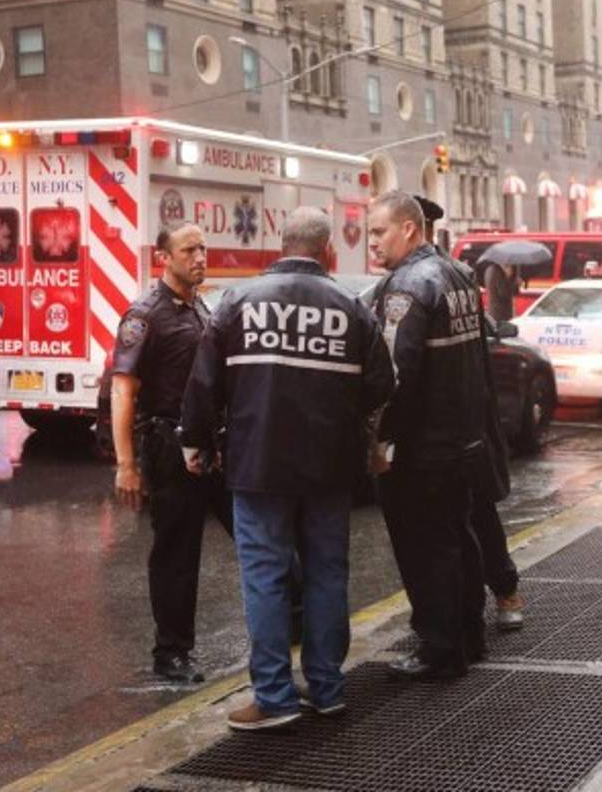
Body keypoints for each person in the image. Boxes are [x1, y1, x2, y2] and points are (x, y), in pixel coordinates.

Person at [180, 207, 394, 730]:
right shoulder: (351, 307)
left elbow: (204, 382)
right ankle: (326, 688)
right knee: (327, 574)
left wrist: (195, 440)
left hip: (259, 464)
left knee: (265, 578)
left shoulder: (237, 302)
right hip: (330, 467)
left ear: (282, 244)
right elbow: (382, 385)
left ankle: (274, 698)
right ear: (328, 251)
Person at [369, 190, 491, 679]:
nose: (372, 242)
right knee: (458, 538)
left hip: (422, 448)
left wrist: (379, 439)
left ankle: (440, 649)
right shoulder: (458, 274)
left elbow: (393, 375)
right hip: (462, 438)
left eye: (379, 232)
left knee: (424, 548)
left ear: (408, 229)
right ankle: (470, 634)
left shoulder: (406, 286)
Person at [112, 223, 231, 685]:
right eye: (189, 250)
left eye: (203, 248)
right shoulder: (145, 315)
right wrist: (127, 465)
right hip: (168, 446)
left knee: (256, 532)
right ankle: (172, 653)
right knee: (177, 555)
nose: (200, 257)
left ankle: (294, 619)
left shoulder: (199, 305)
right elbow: (123, 391)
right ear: (164, 257)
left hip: (210, 444)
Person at [413, 194, 525, 631]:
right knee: (450, 524)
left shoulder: (449, 276)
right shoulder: (429, 276)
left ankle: (502, 590)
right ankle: (456, 609)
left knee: (478, 511)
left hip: (462, 421)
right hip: (445, 425)